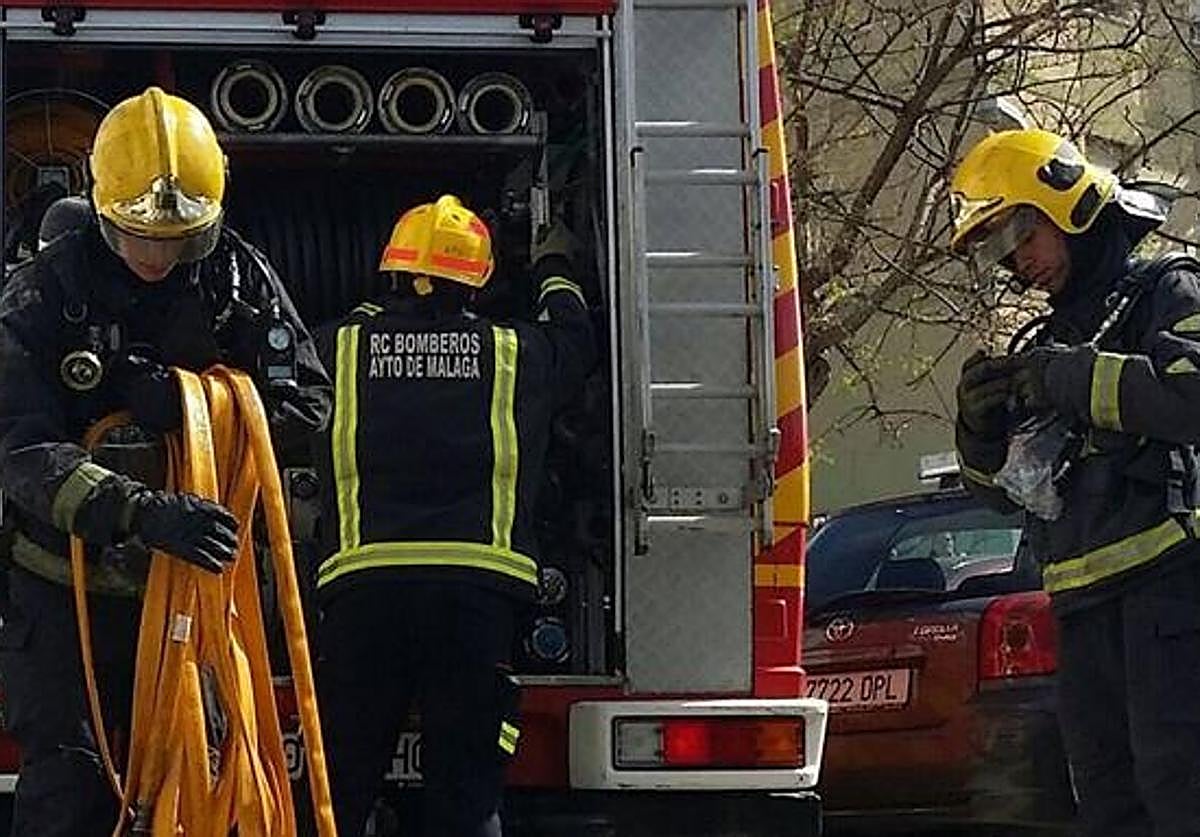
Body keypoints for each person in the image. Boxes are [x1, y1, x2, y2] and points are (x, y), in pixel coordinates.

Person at [0, 86, 331, 836]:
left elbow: (308, 402)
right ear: (102, 209)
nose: (156, 256)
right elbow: (18, 449)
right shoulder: (44, 295)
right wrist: (138, 509)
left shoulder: (235, 280)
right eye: (137, 238)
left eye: (178, 239)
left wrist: (199, 402)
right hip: (68, 588)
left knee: (201, 777)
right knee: (71, 785)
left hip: (195, 594)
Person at [313, 194, 595, 837]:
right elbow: (575, 340)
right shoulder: (514, 353)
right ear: (480, 281)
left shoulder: (339, 348)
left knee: (337, 795)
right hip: (475, 599)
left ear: (391, 273)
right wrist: (554, 268)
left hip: (364, 596)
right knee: (466, 800)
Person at [951, 128, 1200, 837]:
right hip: (1084, 608)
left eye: (1022, 232)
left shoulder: (1166, 290)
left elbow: (1193, 395)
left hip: (1172, 591)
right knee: (1108, 805)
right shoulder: (1046, 340)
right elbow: (1001, 490)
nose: (1018, 261)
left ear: (1069, 202)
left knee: (1180, 789)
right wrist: (980, 431)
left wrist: (1071, 378)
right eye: (1001, 250)